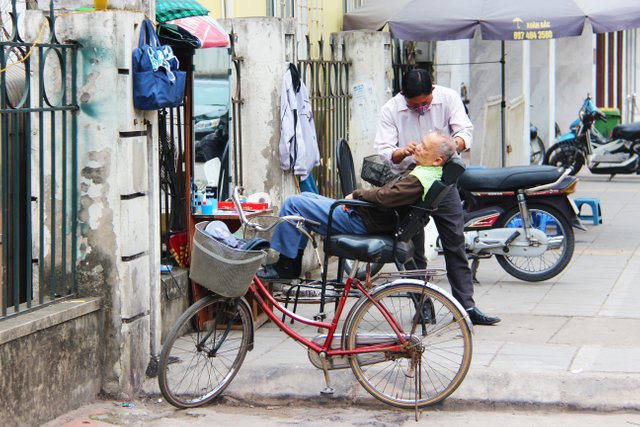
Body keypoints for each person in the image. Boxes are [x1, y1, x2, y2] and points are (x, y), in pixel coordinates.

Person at [374, 68, 500, 326]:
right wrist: (402, 152)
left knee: (455, 239)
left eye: (425, 103)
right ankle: (423, 305)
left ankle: (466, 307)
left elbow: (466, 131)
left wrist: (450, 145)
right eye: (414, 105)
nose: (420, 108)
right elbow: (385, 152)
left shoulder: (448, 98)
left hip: (443, 180)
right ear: (403, 96)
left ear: (433, 91)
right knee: (411, 247)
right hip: (410, 180)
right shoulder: (391, 109)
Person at [257, 131, 456, 280]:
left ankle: (286, 266)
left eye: (424, 148)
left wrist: (357, 195)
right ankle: (291, 262)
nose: (418, 147)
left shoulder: (418, 180)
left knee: (294, 204)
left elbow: (386, 197)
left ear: (437, 160)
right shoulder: (427, 172)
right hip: (369, 216)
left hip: (364, 222)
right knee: (307, 196)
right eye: (420, 143)